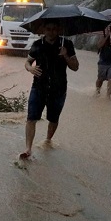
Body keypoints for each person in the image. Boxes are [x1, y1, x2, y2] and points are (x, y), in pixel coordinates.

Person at [20, 20, 79, 159]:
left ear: (58, 29)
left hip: (58, 89)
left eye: (54, 29)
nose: (51, 32)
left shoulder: (67, 44)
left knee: (53, 119)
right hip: (39, 87)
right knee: (31, 118)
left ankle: (47, 140)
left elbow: (75, 67)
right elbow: (27, 62)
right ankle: (28, 148)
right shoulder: (37, 45)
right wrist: (31, 69)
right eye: (48, 29)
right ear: (43, 30)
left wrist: (65, 55)